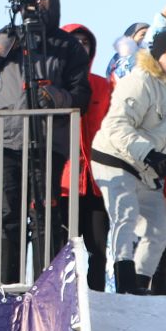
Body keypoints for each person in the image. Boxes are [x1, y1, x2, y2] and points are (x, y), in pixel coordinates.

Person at [0, 0, 92, 284]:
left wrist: (55, 98)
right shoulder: (8, 38)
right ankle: (11, 286)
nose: (35, 5)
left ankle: (46, 287)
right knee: (8, 217)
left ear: (53, 2)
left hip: (47, 142)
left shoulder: (68, 46)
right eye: (31, 0)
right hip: (4, 141)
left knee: (46, 216)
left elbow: (82, 96)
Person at [90, 30, 166, 296]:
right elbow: (116, 125)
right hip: (115, 157)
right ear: (157, 56)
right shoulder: (139, 81)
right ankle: (123, 277)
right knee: (124, 215)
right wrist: (149, 153)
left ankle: (138, 282)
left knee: (158, 229)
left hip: (147, 169)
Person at [58, 23, 113, 292]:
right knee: (64, 251)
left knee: (98, 248)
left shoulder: (103, 86)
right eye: (74, 41)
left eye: (86, 42)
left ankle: (97, 299)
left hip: (96, 180)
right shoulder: (54, 84)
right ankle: (66, 297)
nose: (81, 46)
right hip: (64, 182)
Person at [106, 0, 166, 81]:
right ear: (129, 39)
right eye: (143, 34)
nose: (146, 38)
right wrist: (165, 14)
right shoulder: (120, 64)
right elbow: (147, 47)